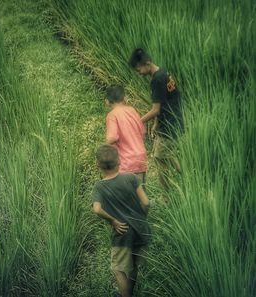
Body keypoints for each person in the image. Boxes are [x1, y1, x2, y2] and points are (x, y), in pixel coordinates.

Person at [92, 144, 150, 297]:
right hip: (141, 230)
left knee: (119, 269)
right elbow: (146, 202)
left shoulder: (99, 187)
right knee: (134, 266)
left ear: (97, 164)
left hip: (122, 234)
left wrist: (113, 221)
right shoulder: (131, 177)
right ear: (119, 161)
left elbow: (97, 209)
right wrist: (141, 218)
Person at [129, 48, 183, 192]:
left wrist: (136, 121)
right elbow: (163, 102)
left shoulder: (157, 80)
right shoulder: (164, 72)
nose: (138, 73)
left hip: (170, 125)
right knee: (166, 154)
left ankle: (167, 197)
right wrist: (155, 123)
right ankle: (187, 176)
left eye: (138, 69)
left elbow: (155, 109)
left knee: (159, 157)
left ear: (146, 63)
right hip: (173, 121)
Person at [105, 85, 148, 186]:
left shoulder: (112, 115)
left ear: (107, 101)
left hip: (126, 163)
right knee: (140, 195)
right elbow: (143, 131)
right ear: (124, 98)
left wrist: (104, 151)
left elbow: (112, 138)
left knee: (127, 197)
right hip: (141, 159)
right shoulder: (132, 111)